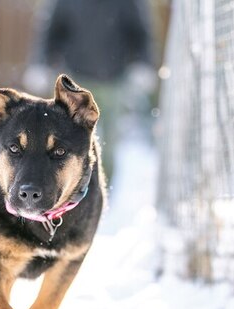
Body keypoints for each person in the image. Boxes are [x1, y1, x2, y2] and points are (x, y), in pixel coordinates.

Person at [24, 0, 157, 184]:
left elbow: (140, 32)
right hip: (76, 83)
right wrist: (40, 63)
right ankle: (72, 188)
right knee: (71, 141)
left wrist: (144, 63)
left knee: (107, 144)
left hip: (114, 82)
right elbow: (50, 31)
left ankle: (103, 188)